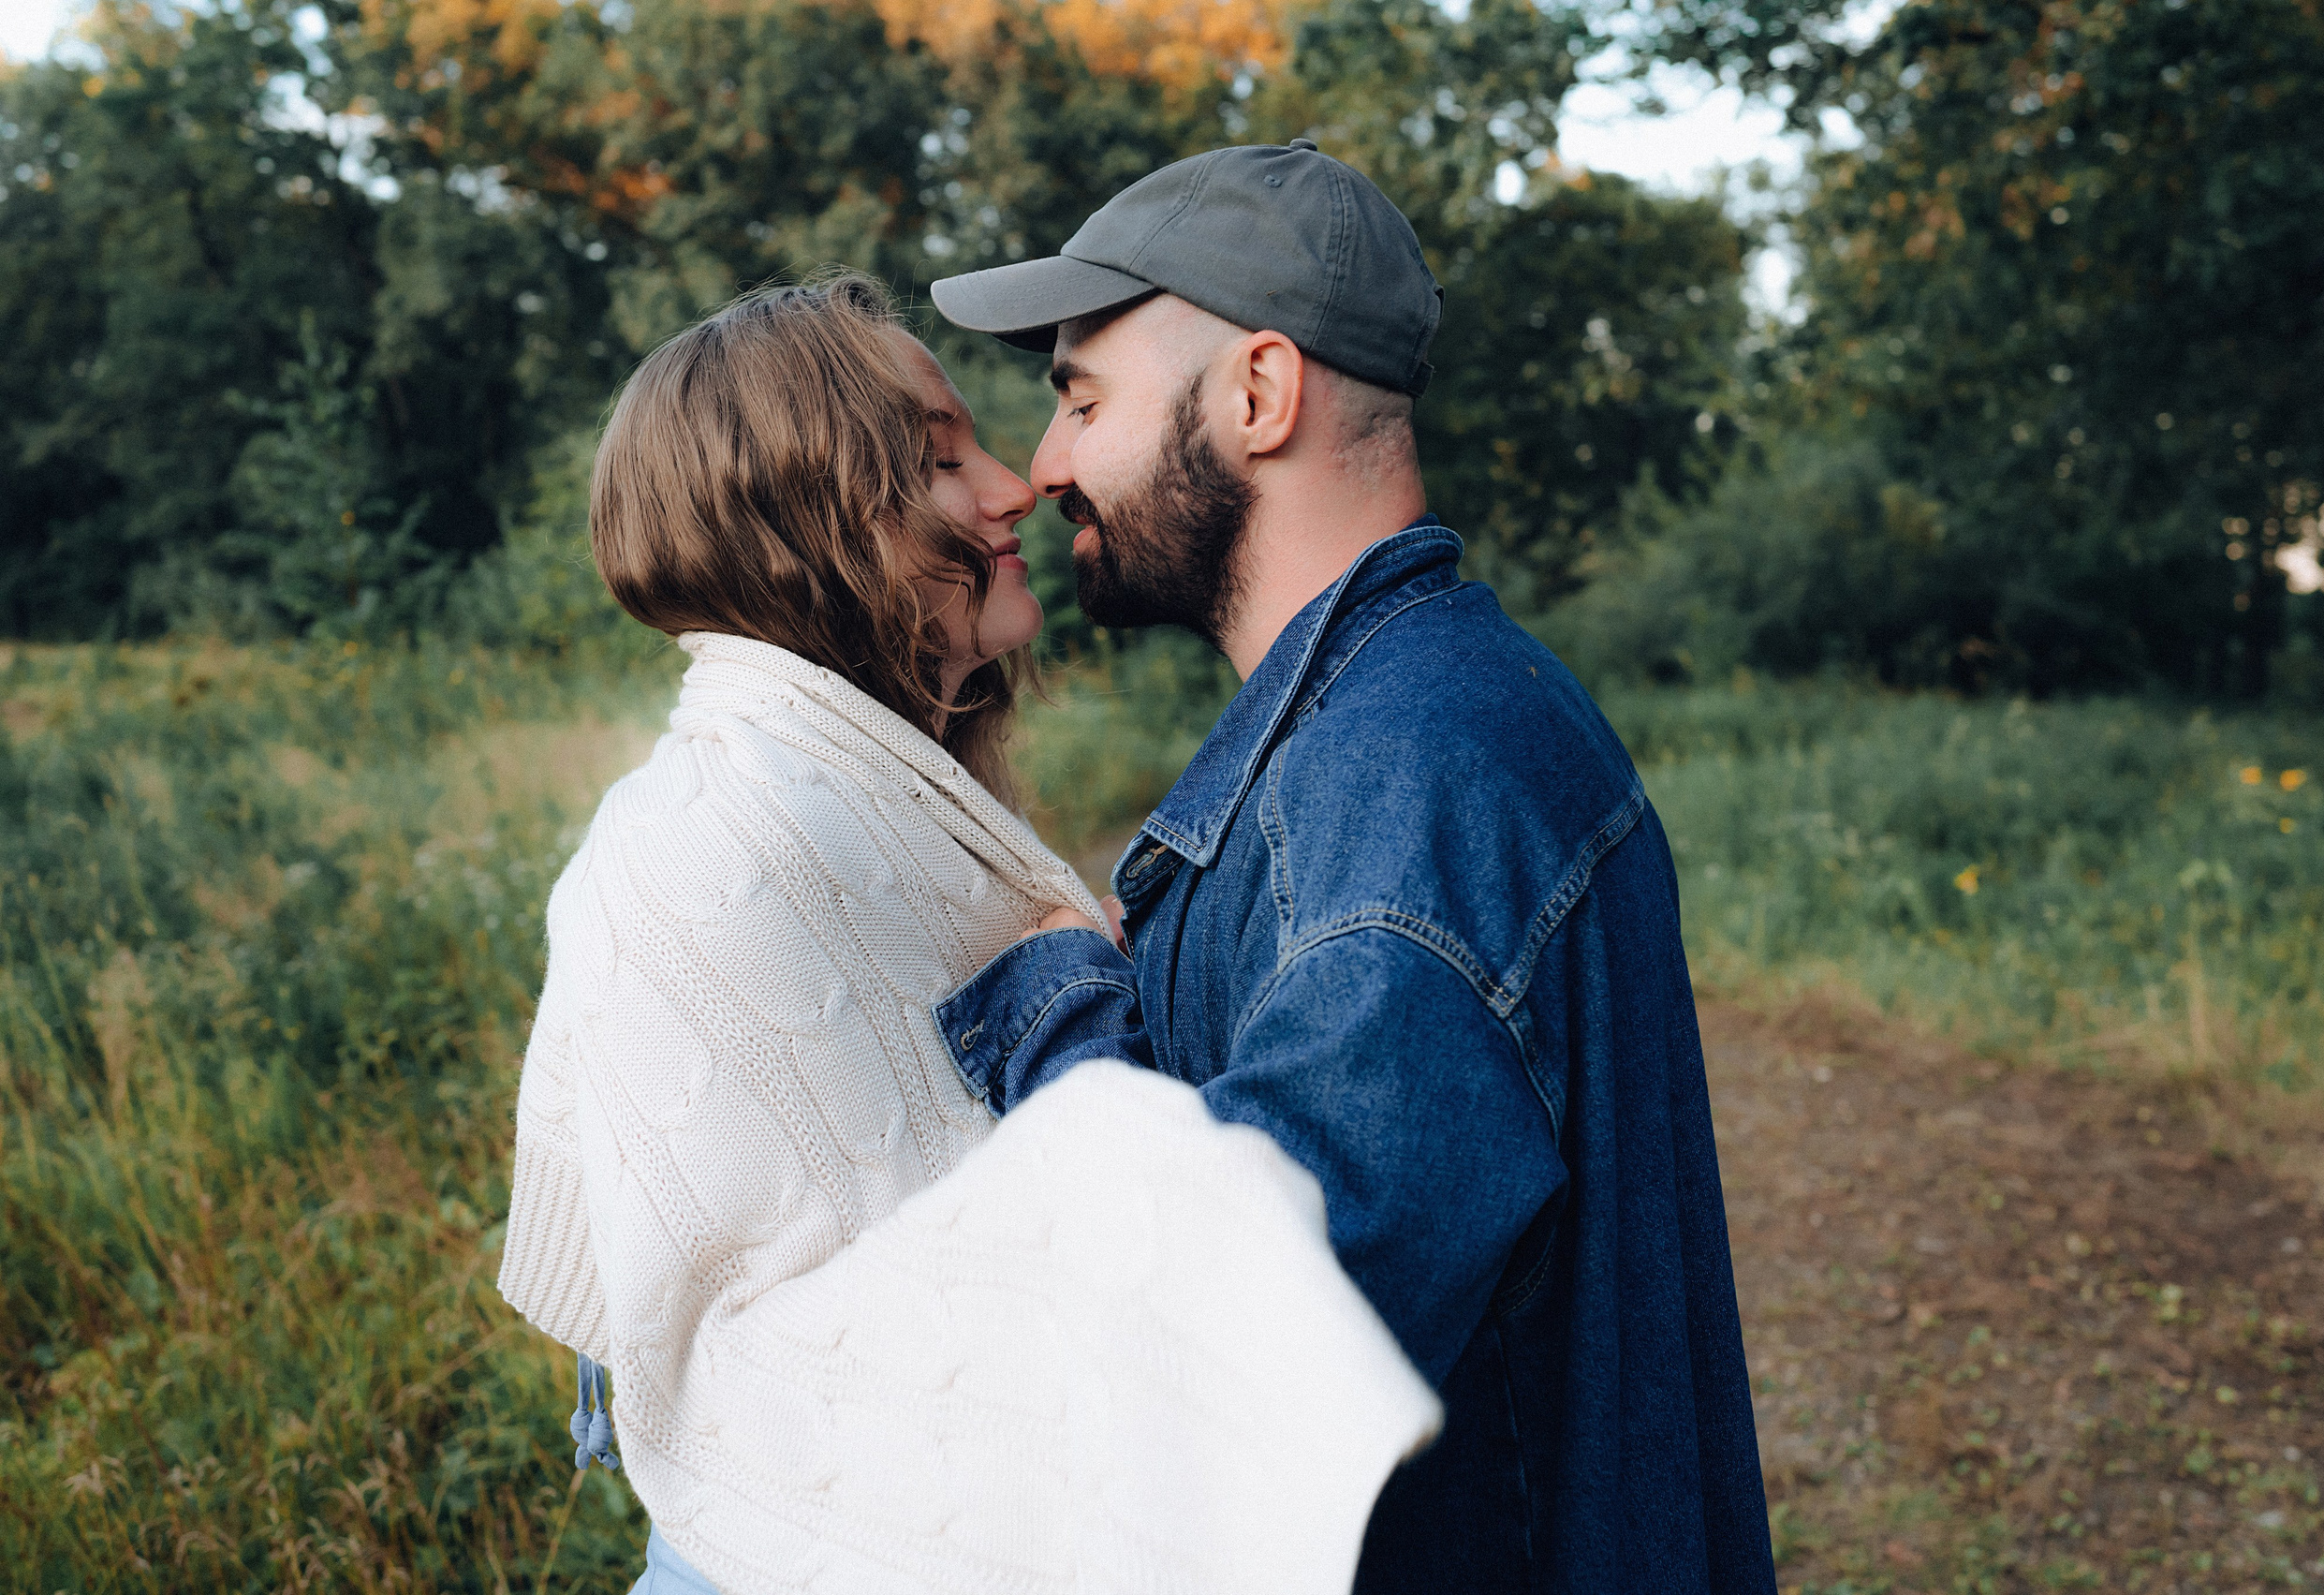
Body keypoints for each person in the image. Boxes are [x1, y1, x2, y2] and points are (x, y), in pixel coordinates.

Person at [494, 272, 1437, 1595]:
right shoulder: (715, 832)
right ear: (806, 526)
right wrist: (1065, 990)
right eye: (941, 463)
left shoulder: (877, 803)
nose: (1012, 488)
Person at [928, 140, 1777, 1593]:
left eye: (1083, 399)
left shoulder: (1408, 778)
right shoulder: (1432, 714)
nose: (1048, 463)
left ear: (1259, 394)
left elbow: (1248, 1338)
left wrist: (1053, 996)